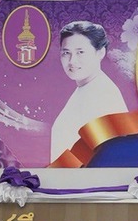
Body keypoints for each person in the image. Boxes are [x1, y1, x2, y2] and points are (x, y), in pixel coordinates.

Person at [49, 20, 128, 163]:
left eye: (80, 52)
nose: (72, 61)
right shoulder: (86, 88)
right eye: (66, 53)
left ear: (101, 52)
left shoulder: (104, 95)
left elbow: (110, 158)